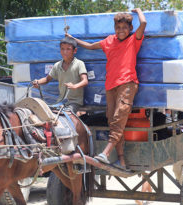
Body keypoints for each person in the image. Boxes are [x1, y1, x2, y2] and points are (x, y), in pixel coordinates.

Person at [67, 8, 147, 169]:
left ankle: (106, 152)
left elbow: (143, 23)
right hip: (110, 86)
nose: (121, 30)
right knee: (112, 121)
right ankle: (122, 160)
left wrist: (138, 11)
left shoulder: (134, 40)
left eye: (125, 28)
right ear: (114, 29)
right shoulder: (109, 41)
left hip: (128, 84)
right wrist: (72, 39)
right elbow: (90, 46)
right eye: (118, 28)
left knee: (119, 117)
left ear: (130, 29)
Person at [32, 37, 88, 114]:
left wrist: (75, 86)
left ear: (74, 51)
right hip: (60, 101)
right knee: (47, 114)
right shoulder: (57, 65)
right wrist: (38, 82)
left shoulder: (79, 64)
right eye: (62, 49)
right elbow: (47, 79)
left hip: (74, 102)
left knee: (67, 115)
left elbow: (85, 81)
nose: (65, 52)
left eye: (68, 49)